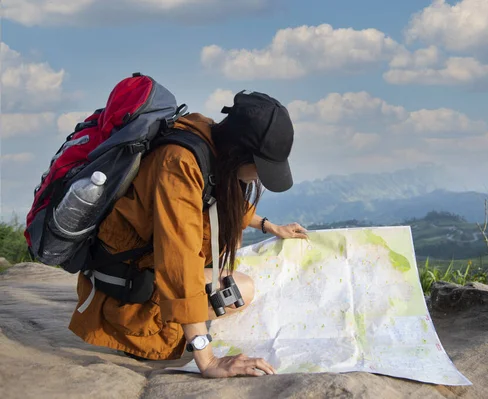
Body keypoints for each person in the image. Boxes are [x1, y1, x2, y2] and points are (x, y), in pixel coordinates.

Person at [68, 91, 308, 378]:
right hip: (129, 293)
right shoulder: (179, 163)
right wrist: (207, 360)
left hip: (142, 273)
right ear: (238, 153)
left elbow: (216, 198)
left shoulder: (207, 139)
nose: (258, 177)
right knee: (241, 290)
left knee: (235, 284)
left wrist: (268, 225)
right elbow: (179, 262)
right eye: (259, 167)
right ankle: (149, 332)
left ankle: (179, 320)